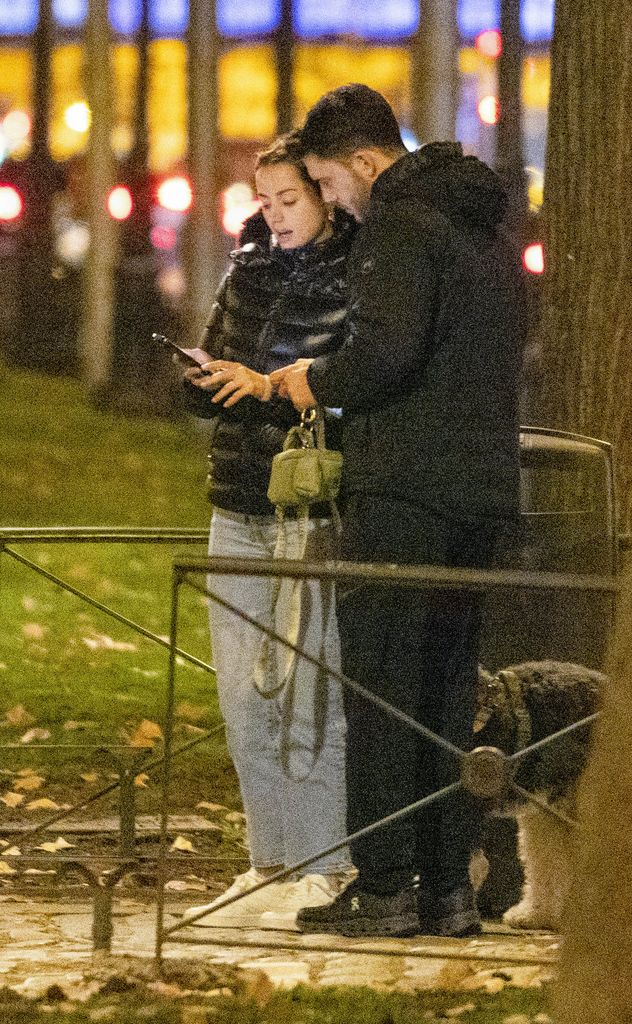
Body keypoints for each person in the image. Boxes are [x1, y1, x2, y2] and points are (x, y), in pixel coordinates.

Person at [272, 85, 527, 938]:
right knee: (446, 700)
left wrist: (314, 379)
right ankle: (448, 890)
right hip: (483, 489)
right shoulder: (486, 224)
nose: (334, 203)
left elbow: (384, 352)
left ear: (364, 162)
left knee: (381, 692)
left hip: (405, 487)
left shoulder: (401, 224)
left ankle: (385, 886)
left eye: (329, 184)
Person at [180, 131, 357, 927]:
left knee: (307, 693)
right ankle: (269, 862)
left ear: (323, 195)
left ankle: (327, 865)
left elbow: (357, 390)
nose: (276, 216)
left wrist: (272, 389)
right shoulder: (245, 271)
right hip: (237, 503)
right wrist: (204, 380)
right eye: (266, 202)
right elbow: (214, 377)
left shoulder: (360, 276)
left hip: (308, 510)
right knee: (242, 695)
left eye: (290, 199)